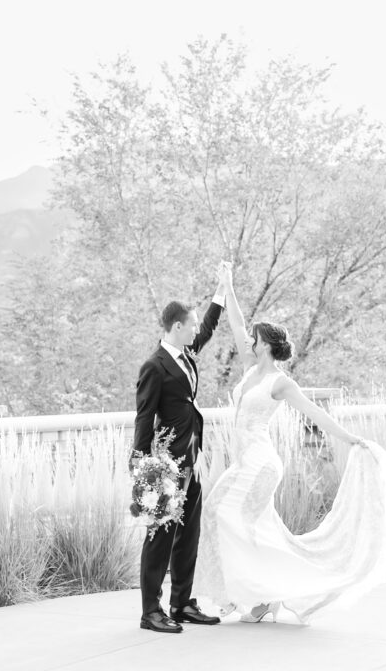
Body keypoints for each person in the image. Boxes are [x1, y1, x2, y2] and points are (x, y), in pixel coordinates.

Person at [194, 265, 386, 624]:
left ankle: (254, 596)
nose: (248, 340)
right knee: (218, 514)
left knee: (234, 521)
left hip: (261, 465)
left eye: (254, 338)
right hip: (243, 463)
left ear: (265, 345)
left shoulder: (280, 382)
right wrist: (227, 286)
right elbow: (237, 324)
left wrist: (350, 439)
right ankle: (251, 594)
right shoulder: (249, 367)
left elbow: (315, 414)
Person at [132, 262, 230, 634]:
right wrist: (142, 467)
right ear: (176, 327)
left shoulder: (186, 355)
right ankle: (150, 611)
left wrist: (222, 290)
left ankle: (182, 603)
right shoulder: (154, 367)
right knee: (160, 536)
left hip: (193, 460)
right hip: (164, 463)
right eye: (189, 325)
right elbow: (144, 419)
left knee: (188, 531)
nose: (195, 331)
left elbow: (207, 328)